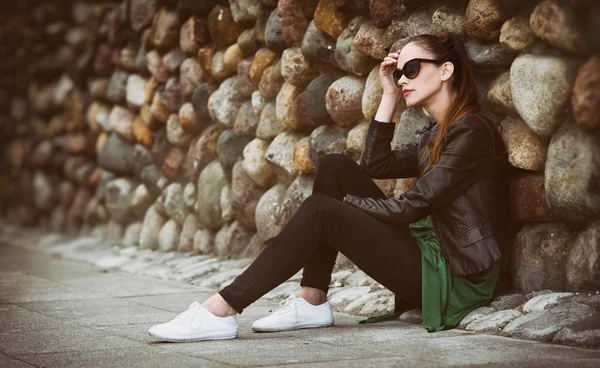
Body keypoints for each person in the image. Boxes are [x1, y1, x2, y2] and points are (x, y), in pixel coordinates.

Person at [147, 32, 510, 342]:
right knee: (334, 167)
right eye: (399, 72)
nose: (402, 78)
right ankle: (312, 300)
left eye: (412, 69)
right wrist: (387, 98)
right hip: (434, 253)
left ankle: (221, 309)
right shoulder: (437, 131)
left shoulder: (471, 132)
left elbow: (410, 209)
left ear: (446, 70)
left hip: (455, 276)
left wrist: (340, 209)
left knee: (322, 210)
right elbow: (376, 165)